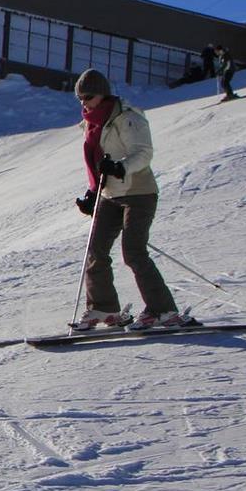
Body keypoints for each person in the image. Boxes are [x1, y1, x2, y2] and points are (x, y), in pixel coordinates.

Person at [70, 69, 185, 331]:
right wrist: (93, 193)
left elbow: (143, 153)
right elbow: (99, 163)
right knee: (96, 250)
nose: (83, 102)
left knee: (134, 252)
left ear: (103, 94)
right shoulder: (91, 123)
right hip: (110, 194)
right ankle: (104, 308)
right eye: (79, 98)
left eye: (88, 96)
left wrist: (122, 168)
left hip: (139, 192)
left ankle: (163, 311)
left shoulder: (127, 117)